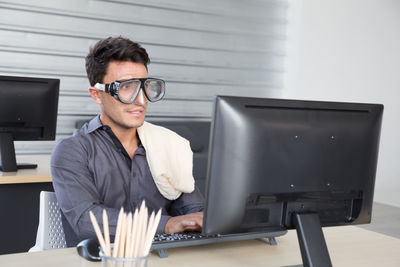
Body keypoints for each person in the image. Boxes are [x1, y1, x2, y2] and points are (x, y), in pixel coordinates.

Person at [51, 36, 204, 247]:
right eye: (126, 87)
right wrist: (167, 225)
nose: (141, 100)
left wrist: (203, 220)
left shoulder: (168, 145)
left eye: (145, 86)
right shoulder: (73, 150)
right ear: (97, 95)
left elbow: (193, 211)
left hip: (161, 258)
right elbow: (87, 222)